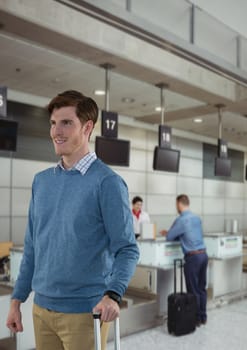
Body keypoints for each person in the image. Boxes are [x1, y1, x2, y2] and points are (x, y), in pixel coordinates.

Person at [6, 90, 139, 350]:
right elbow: (33, 246)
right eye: (53, 123)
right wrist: (16, 301)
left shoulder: (107, 183)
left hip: (86, 312)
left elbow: (126, 248)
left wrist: (113, 294)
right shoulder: (42, 181)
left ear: (87, 127)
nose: (57, 131)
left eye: (66, 122)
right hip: (41, 309)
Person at [160, 194, 208, 326]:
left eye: (176, 205)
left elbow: (169, 237)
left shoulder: (181, 220)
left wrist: (169, 233)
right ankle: (203, 317)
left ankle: (196, 318)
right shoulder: (197, 218)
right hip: (204, 255)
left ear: (179, 204)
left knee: (193, 290)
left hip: (192, 257)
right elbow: (191, 234)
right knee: (201, 288)